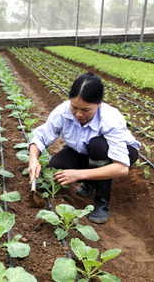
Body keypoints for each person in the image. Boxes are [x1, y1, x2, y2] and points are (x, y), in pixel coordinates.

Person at [28, 72, 141, 224]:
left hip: (119, 154)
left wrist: (79, 175)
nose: (79, 114)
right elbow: (40, 137)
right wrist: (33, 159)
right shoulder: (63, 111)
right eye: (74, 107)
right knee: (55, 166)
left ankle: (102, 203)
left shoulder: (111, 119)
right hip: (84, 151)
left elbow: (121, 168)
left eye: (86, 110)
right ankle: (90, 182)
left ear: (100, 103)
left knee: (98, 145)